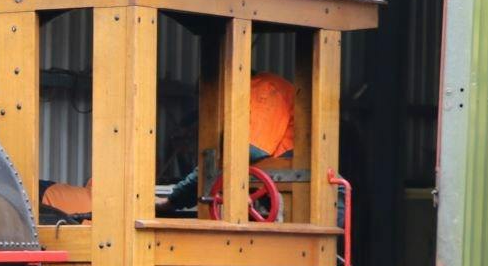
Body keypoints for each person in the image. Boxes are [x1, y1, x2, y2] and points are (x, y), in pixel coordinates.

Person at [36, 71, 296, 221]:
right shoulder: (255, 96)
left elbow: (240, 154)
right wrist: (176, 199)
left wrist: (176, 198)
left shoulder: (264, 90)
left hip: (279, 197)